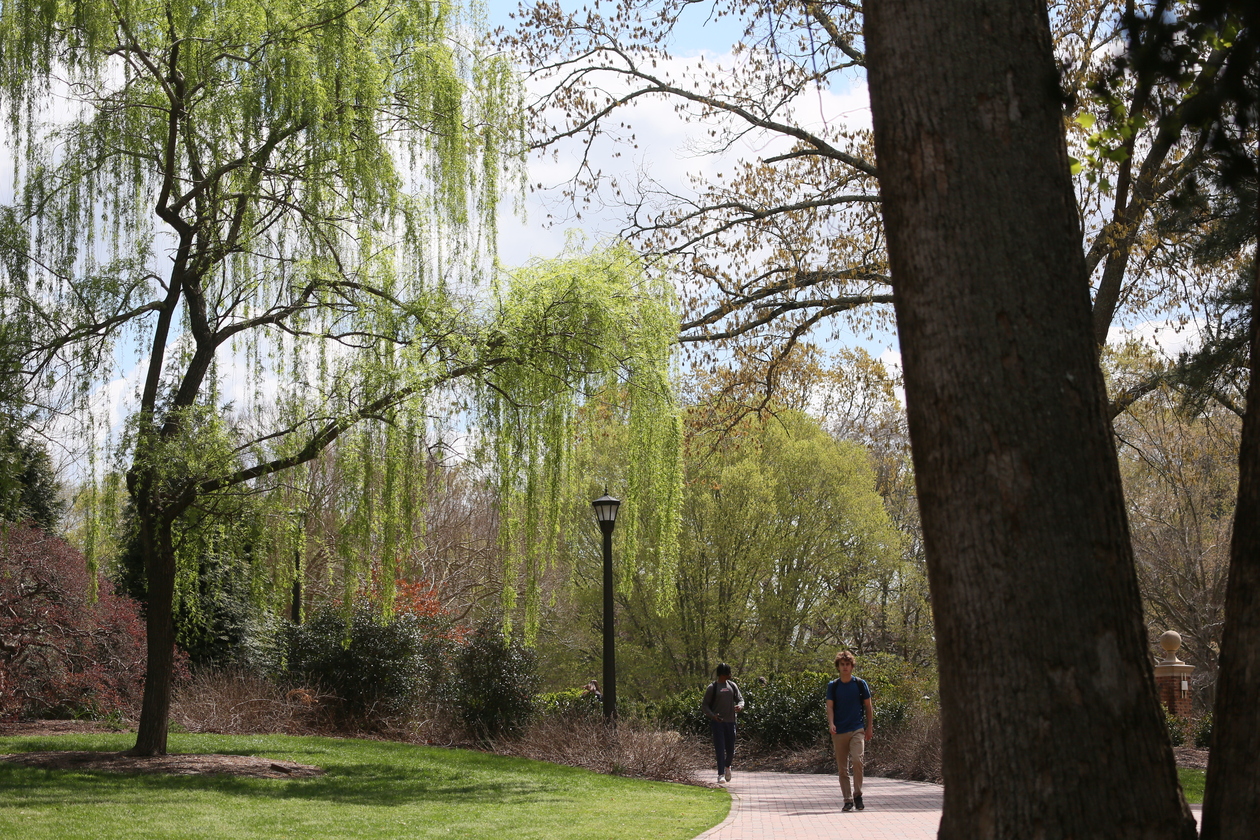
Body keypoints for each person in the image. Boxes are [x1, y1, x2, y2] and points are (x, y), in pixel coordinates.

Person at [826, 650, 874, 811]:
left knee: (857, 760)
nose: (845, 667)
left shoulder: (860, 684)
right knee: (842, 769)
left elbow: (868, 706)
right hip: (839, 731)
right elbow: (830, 706)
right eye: (842, 664)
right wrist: (831, 723)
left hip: (857, 729)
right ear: (838, 667)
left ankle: (858, 795)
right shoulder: (833, 686)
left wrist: (869, 727)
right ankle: (847, 800)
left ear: (852, 666)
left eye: (847, 664)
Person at [701, 662, 744, 783]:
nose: (730, 674)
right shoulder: (712, 688)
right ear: (722, 674)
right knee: (720, 749)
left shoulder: (732, 686)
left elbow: (740, 699)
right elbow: (705, 706)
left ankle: (727, 767)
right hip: (718, 723)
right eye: (728, 672)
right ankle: (720, 774)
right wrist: (713, 716)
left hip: (731, 722)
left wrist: (740, 706)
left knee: (730, 750)